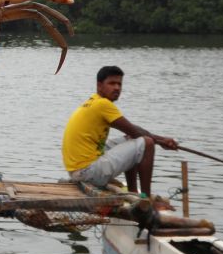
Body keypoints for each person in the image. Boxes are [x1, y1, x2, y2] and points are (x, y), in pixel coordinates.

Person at [61, 65, 178, 196]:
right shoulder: (103, 104)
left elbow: (133, 130)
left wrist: (162, 139)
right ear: (99, 85)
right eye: (112, 83)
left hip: (78, 171)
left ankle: (133, 192)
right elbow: (136, 132)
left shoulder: (95, 102)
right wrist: (161, 142)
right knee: (147, 143)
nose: (117, 88)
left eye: (119, 84)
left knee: (133, 140)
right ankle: (146, 199)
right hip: (87, 172)